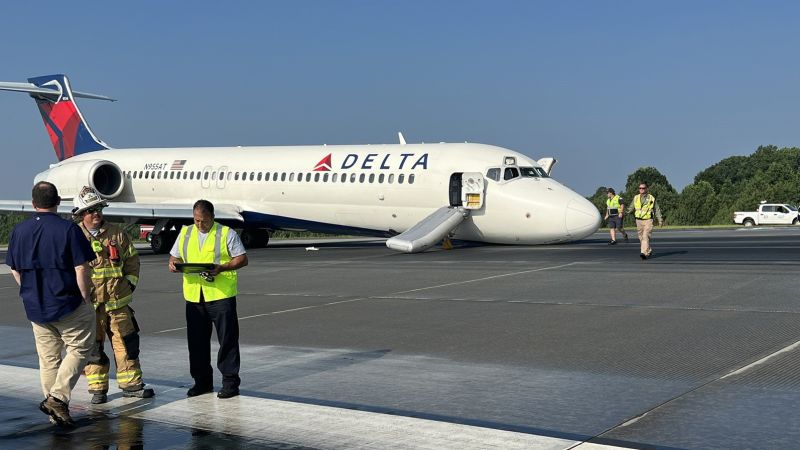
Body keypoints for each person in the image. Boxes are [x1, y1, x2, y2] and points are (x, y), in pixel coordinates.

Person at [5, 181, 96, 426]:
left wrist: (29, 291)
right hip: (67, 303)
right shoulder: (68, 230)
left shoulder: (19, 231)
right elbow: (81, 267)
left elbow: (15, 269)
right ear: (57, 201)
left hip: (36, 305)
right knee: (79, 348)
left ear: (34, 203)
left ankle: (55, 412)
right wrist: (85, 296)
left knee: (48, 359)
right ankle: (57, 398)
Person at [72, 186, 155, 404]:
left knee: (127, 344)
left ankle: (132, 385)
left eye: (99, 208)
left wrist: (128, 284)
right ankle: (98, 389)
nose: (96, 213)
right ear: (81, 214)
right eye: (91, 210)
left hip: (119, 304)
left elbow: (132, 261)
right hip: (90, 306)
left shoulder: (117, 234)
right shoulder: (74, 236)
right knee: (94, 348)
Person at [168, 200, 248, 398]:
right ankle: (201, 382)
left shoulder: (226, 233)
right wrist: (174, 264)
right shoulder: (186, 232)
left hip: (220, 296)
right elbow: (174, 257)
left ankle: (230, 383)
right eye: (196, 220)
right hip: (195, 296)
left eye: (203, 221)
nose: (199, 225)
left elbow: (242, 259)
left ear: (212, 217)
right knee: (196, 343)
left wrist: (222, 267)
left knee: (227, 341)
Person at [630, 182, 663, 260]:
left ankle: (643, 253)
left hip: (648, 220)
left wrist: (660, 220)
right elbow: (631, 207)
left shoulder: (651, 198)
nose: (641, 189)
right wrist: (623, 213)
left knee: (645, 236)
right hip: (638, 220)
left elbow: (657, 209)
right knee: (641, 237)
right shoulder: (636, 197)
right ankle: (648, 250)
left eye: (643, 188)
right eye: (640, 188)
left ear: (646, 189)